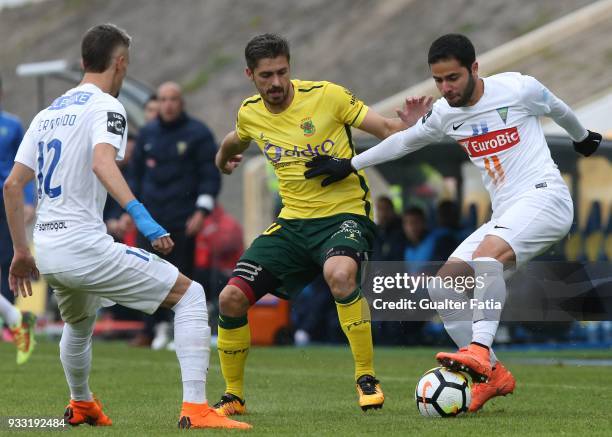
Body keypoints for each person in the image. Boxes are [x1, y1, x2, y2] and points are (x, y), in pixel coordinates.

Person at [303, 33, 602, 413]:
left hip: (546, 198)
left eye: (453, 78)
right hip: (507, 212)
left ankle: (478, 349)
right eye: (438, 80)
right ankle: (491, 373)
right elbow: (405, 141)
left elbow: (555, 106)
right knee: (442, 286)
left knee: (487, 257)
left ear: (475, 68)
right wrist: (350, 164)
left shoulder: (518, 89)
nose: (446, 88)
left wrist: (583, 137)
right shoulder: (446, 113)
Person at [2, 23, 249, 430]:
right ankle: (197, 408)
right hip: (83, 246)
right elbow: (103, 163)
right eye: (126, 64)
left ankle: (81, 404)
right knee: (191, 296)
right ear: (120, 64)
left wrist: (21, 252)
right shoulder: (106, 106)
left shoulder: (48, 114)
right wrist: (141, 216)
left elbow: (13, 185)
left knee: (78, 324)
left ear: (83, 62)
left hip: (47, 248)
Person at [213, 33, 432, 415]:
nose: (276, 83)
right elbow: (237, 138)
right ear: (250, 74)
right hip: (293, 224)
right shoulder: (250, 112)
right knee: (230, 298)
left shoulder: (327, 96)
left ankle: (366, 377)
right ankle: (233, 396)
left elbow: (383, 129)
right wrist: (222, 159)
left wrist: (413, 125)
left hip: (344, 215)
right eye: (266, 75)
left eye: (282, 71)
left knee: (340, 274)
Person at [129, 81, 220, 349]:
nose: (168, 104)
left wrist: (202, 211)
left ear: (181, 103)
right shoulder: (147, 134)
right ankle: (151, 329)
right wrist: (132, 210)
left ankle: (178, 329)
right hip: (151, 219)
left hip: (183, 218)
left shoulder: (198, 134)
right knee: (147, 273)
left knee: (182, 275)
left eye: (173, 99)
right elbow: (134, 176)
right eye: (163, 99)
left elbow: (209, 175)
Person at [0, 74, 37, 365]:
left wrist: (28, 201)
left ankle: (12, 318)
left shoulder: (11, 125)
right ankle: (14, 318)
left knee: (5, 259)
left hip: (5, 202)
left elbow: (26, 165)